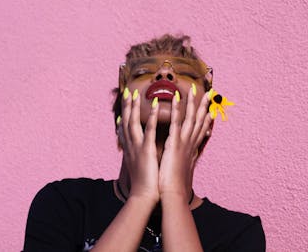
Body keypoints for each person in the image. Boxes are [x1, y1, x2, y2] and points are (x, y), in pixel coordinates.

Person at [23, 34, 266, 251]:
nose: (164, 73)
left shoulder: (239, 234)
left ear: (208, 124)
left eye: (186, 73)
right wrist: (141, 197)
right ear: (119, 121)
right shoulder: (64, 204)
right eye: (142, 72)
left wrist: (174, 195)